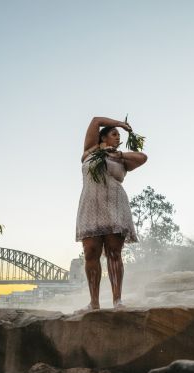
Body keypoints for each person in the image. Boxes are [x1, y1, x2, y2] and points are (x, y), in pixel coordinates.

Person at [76, 117, 147, 311]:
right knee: (90, 252)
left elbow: (143, 157)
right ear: (102, 137)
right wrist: (121, 124)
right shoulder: (89, 151)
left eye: (120, 135)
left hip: (115, 205)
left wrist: (119, 154)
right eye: (114, 134)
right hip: (90, 205)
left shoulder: (120, 157)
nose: (118, 138)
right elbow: (95, 120)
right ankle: (94, 303)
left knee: (114, 252)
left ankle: (117, 301)